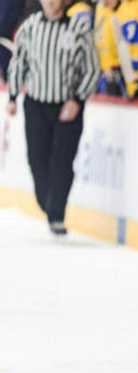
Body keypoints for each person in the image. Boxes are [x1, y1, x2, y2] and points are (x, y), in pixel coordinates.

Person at [6, 0, 100, 235]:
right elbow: (19, 63)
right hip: (36, 104)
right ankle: (48, 203)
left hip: (66, 107)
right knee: (37, 159)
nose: (50, 2)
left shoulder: (78, 30)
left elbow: (92, 68)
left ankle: (56, 212)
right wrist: (13, 96)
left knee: (62, 161)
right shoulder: (30, 27)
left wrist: (77, 100)